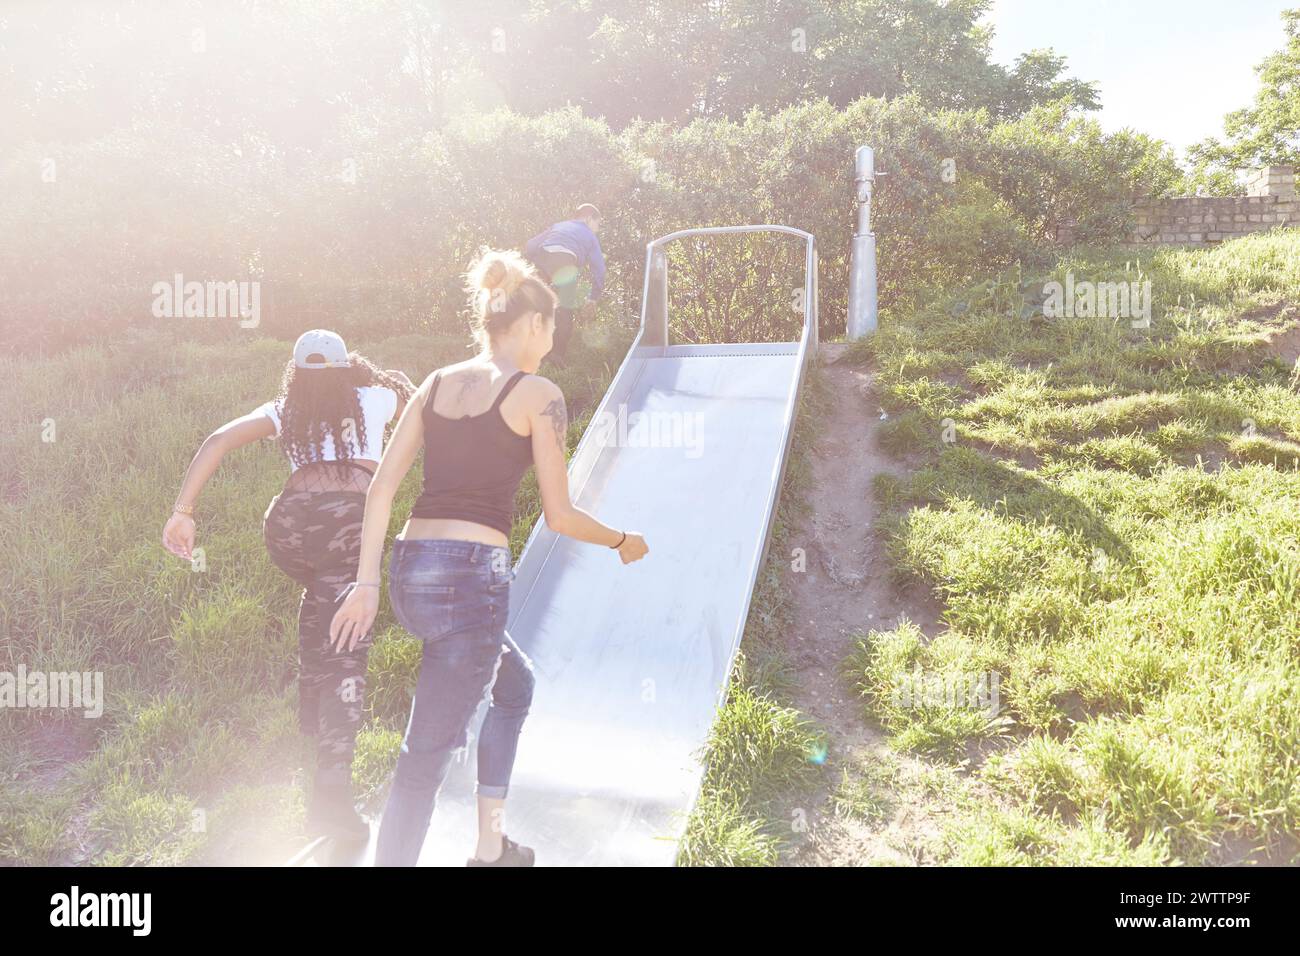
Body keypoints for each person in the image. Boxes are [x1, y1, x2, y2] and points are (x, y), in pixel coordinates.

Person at [329, 248, 648, 867]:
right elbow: (560, 515)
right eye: (551, 328)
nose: (552, 342)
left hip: (409, 574)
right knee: (423, 759)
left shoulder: (436, 382)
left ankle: (491, 844)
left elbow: (382, 487)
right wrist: (621, 541)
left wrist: (366, 583)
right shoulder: (537, 394)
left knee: (514, 683)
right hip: (470, 583)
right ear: (531, 325)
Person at [162, 330, 414, 842]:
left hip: (288, 526)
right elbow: (411, 396)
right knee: (347, 644)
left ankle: (310, 724)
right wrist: (384, 378)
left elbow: (217, 440)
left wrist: (182, 512)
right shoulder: (376, 396)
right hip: (346, 521)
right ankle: (332, 799)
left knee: (322, 598)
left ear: (296, 373)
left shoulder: (286, 407)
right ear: (347, 369)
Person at [523, 203, 607, 363]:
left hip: (543, 257)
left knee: (537, 306)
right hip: (566, 262)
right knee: (564, 309)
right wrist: (593, 297)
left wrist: (535, 265)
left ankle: (530, 348)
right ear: (590, 218)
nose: (598, 229)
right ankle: (556, 356)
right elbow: (599, 269)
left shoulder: (559, 226)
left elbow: (530, 246)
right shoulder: (590, 235)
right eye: (598, 224)